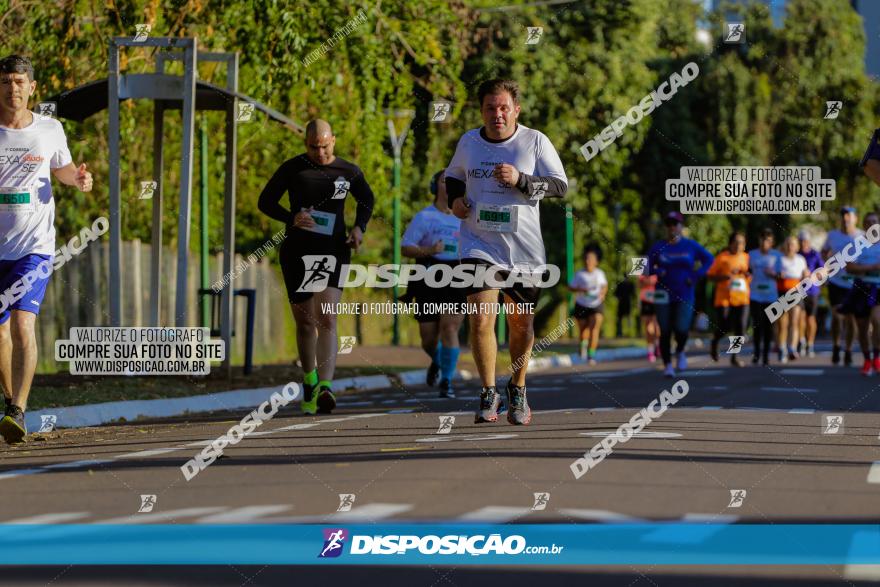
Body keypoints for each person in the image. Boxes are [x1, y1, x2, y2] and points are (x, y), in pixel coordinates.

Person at [445, 78, 568, 425]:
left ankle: (517, 386)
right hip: (478, 243)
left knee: (520, 324)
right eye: (490, 108)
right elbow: (453, 176)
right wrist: (455, 200)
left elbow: (560, 185)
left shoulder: (535, 141)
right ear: (481, 110)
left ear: (516, 110)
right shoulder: (469, 142)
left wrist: (522, 180)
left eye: (503, 108)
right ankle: (487, 390)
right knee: (481, 317)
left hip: (524, 250)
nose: (497, 114)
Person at [0, 55, 94, 444]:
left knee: (23, 324)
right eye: (6, 81)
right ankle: (9, 402)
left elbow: (65, 170)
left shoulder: (50, 129)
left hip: (34, 246)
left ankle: (19, 409)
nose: (13, 88)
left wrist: (80, 180)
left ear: (32, 88)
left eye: (20, 82)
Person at [258, 119, 375, 415]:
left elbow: (367, 199)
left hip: (333, 250)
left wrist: (359, 229)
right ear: (306, 143)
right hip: (298, 251)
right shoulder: (293, 168)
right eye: (313, 147)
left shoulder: (348, 171)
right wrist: (292, 216)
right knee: (306, 322)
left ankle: (326, 386)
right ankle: (309, 380)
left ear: (333, 140)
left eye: (324, 146)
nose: (320, 152)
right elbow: (266, 201)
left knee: (327, 318)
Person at [401, 170, 465, 398]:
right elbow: (405, 247)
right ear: (435, 186)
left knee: (449, 327)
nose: (448, 186)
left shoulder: (465, 217)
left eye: (453, 183)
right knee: (428, 338)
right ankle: (438, 361)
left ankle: (447, 381)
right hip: (429, 275)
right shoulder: (425, 217)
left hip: (458, 275)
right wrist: (429, 250)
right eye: (443, 181)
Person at [647, 211, 714, 378]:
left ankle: (680, 351)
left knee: (682, 328)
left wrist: (696, 275)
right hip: (663, 294)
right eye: (668, 224)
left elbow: (709, 259)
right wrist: (656, 270)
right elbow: (642, 267)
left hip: (684, 293)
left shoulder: (690, 245)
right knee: (665, 330)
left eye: (675, 224)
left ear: (681, 226)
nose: (671, 227)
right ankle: (668, 365)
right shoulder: (657, 246)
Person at [838, 211, 880, 376]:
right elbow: (849, 266)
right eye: (868, 222)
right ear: (864, 225)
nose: (871, 224)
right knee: (862, 328)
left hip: (879, 289)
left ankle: (877, 358)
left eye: (874, 222)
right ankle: (867, 360)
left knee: (878, 321)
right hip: (861, 288)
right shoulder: (857, 244)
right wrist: (871, 268)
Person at [822, 207, 861, 366]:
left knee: (852, 319)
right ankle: (837, 345)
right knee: (837, 316)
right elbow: (824, 251)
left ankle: (849, 349)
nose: (845, 219)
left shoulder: (862, 236)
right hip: (836, 281)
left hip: (855, 282)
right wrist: (826, 263)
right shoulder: (832, 235)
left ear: (855, 218)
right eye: (843, 215)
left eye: (849, 216)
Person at [706, 232, 750, 367]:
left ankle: (734, 356)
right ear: (730, 243)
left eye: (741, 242)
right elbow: (710, 276)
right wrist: (724, 278)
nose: (738, 245)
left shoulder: (747, 258)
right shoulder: (722, 258)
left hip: (742, 298)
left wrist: (747, 274)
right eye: (736, 242)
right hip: (724, 298)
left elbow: (751, 274)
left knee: (741, 327)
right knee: (724, 327)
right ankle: (715, 341)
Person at [568, 244, 608, 364]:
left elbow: (604, 286)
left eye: (590, 259)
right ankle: (582, 346)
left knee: (594, 328)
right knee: (583, 330)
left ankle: (591, 355)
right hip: (581, 304)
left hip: (596, 304)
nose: (587, 261)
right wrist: (580, 290)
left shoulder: (599, 273)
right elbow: (571, 287)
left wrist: (602, 293)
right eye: (586, 259)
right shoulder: (579, 274)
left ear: (596, 262)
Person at [748, 229, 782, 366]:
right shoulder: (752, 254)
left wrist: (773, 273)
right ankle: (756, 352)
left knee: (768, 326)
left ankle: (766, 355)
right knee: (756, 324)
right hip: (755, 294)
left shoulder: (776, 255)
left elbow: (780, 275)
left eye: (767, 240)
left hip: (770, 295)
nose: (764, 243)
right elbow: (747, 270)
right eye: (762, 240)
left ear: (771, 242)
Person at [774, 236, 810, 363]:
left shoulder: (801, 259)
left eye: (793, 244)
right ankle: (782, 347)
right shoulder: (779, 259)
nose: (790, 247)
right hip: (782, 291)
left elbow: (805, 273)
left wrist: (807, 274)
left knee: (794, 322)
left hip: (796, 291)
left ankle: (792, 348)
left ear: (797, 247)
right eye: (788, 244)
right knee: (783, 324)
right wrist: (778, 275)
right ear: (785, 246)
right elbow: (775, 273)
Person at [797, 229, 823, 357]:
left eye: (805, 241)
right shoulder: (796, 254)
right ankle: (801, 341)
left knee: (811, 319)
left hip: (812, 291)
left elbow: (823, 272)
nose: (803, 244)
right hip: (798, 291)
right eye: (801, 241)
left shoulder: (815, 254)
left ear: (809, 241)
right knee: (800, 317)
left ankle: (810, 343)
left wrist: (812, 275)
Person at [638, 273, 659, 362]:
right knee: (647, 327)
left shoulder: (661, 262)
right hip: (645, 300)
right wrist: (648, 282)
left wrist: (648, 281)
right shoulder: (642, 265)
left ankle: (657, 345)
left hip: (658, 299)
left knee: (657, 327)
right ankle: (650, 350)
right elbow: (639, 284)